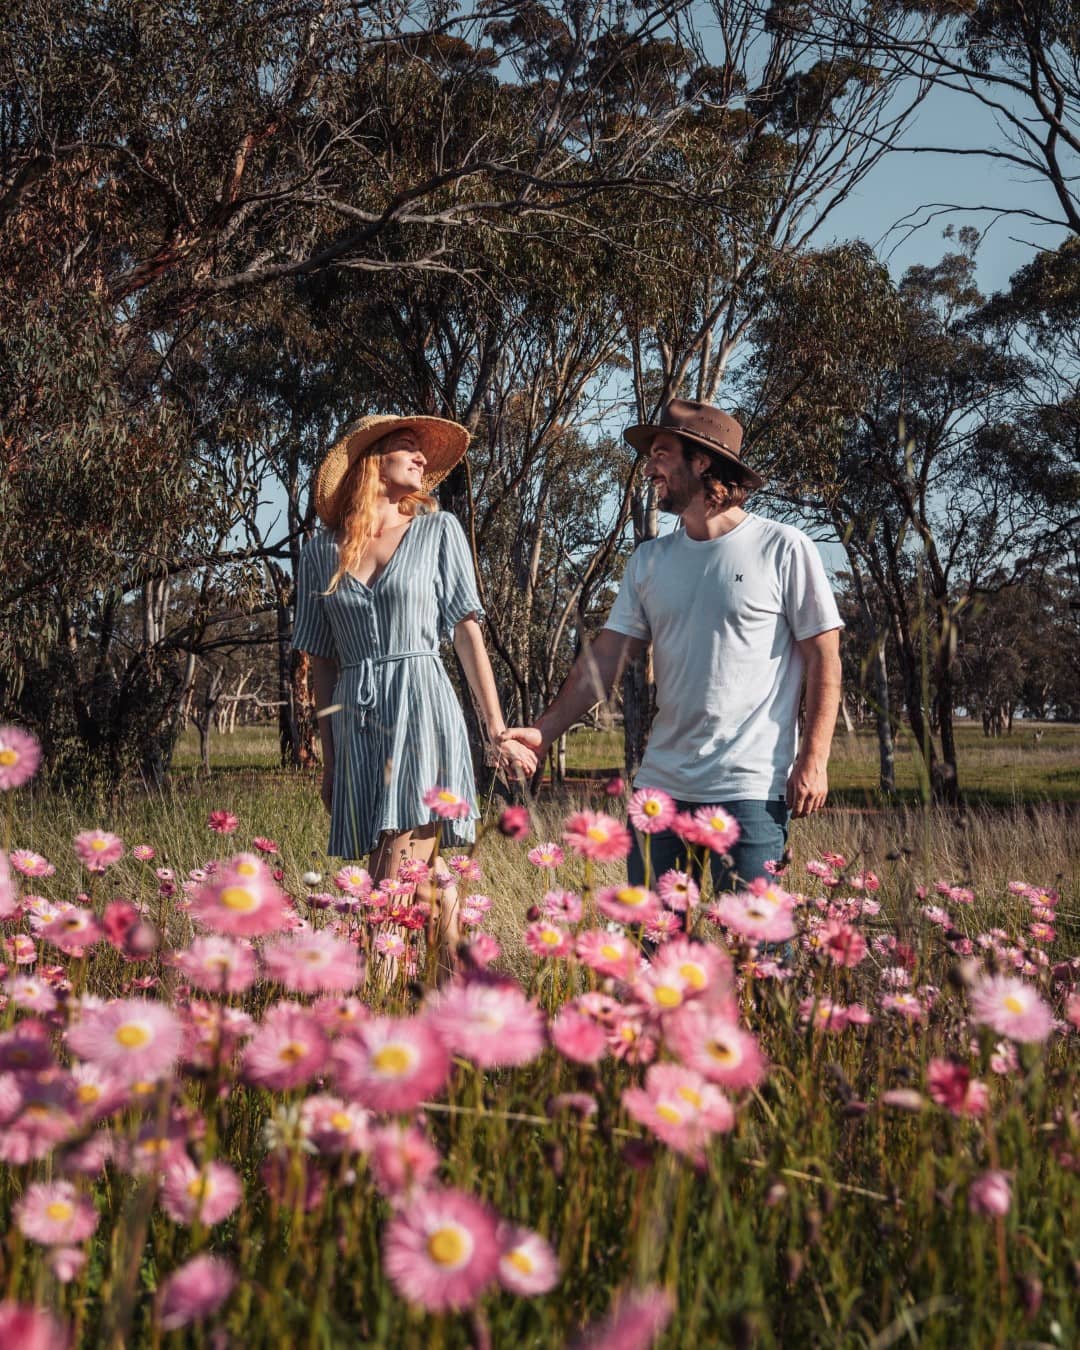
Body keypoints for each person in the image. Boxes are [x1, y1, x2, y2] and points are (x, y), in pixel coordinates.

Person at [505, 398, 842, 894]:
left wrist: (813, 759)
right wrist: (544, 730)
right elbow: (604, 660)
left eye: (661, 453)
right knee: (651, 953)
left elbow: (823, 657)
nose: (649, 468)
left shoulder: (783, 548)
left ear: (702, 461)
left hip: (750, 789)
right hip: (661, 789)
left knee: (754, 957)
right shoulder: (649, 561)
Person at [293, 413, 536, 967]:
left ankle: (376, 993)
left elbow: (466, 632)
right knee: (427, 880)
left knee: (393, 873)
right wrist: (330, 761)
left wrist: (495, 729)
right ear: (369, 460)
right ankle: (457, 996)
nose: (422, 458)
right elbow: (324, 664)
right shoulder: (318, 555)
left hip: (423, 705)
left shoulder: (437, 530)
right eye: (407, 446)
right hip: (356, 717)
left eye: (422, 451)